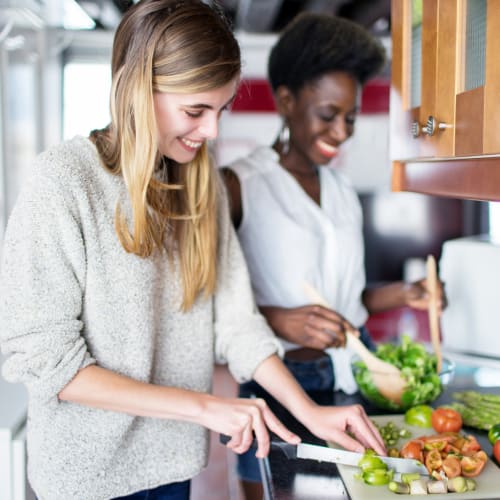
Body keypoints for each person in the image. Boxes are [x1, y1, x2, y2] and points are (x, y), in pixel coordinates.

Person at [0, 2, 386, 500]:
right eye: (195, 111)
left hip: (172, 465)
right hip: (86, 477)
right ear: (139, 90)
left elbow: (236, 322)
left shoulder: (202, 188)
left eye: (220, 110)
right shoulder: (64, 181)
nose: (212, 133)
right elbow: (46, 360)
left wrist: (309, 411)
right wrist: (205, 407)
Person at [222, 12, 446, 499]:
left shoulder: (342, 190)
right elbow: (206, 307)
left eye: (351, 117)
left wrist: (408, 293)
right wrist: (278, 319)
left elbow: (348, 297)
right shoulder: (239, 185)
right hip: (279, 385)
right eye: (328, 114)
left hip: (349, 374)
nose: (343, 132)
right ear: (285, 101)